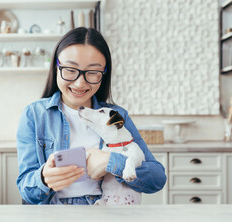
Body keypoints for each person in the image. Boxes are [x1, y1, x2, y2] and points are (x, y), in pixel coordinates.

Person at [16, 27, 166, 205]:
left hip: (106, 213)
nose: (80, 83)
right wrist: (43, 178)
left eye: (93, 72)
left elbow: (157, 179)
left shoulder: (116, 116)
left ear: (104, 74)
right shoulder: (35, 115)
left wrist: (111, 162)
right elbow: (27, 190)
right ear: (56, 68)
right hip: (54, 214)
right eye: (70, 69)